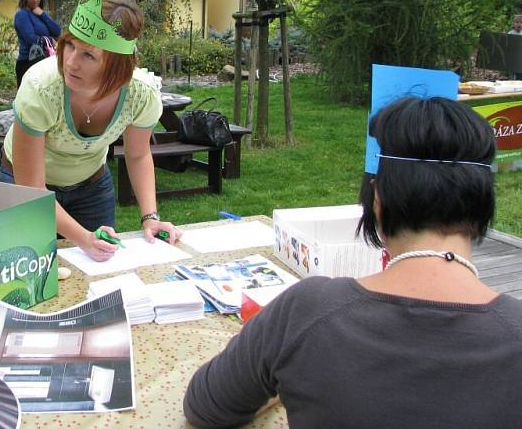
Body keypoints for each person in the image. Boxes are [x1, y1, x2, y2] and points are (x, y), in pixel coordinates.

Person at [183, 96, 522, 429]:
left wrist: (281, 376)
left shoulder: (305, 313)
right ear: (483, 203)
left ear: (378, 200)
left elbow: (207, 407)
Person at [0, 0, 181, 261]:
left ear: (117, 66)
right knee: (27, 273)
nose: (70, 62)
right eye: (70, 45)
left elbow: (137, 154)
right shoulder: (40, 88)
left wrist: (150, 216)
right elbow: (32, 187)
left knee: (100, 278)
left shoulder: (141, 94)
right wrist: (83, 238)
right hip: (23, 184)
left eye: (89, 55)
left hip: (91, 187)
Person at [13, 0, 62, 86]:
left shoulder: (39, 14)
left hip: (43, 62)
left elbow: (57, 30)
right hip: (27, 63)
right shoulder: (22, 15)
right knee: (27, 100)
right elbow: (30, 38)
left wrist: (42, 14)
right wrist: (49, 40)